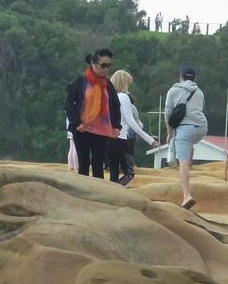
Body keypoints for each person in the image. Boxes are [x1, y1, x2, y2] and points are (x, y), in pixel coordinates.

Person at [64, 49, 121, 179]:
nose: (106, 69)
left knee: (98, 164)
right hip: (82, 130)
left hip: (102, 131)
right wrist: (76, 123)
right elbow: (68, 104)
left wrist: (116, 125)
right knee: (83, 165)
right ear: (94, 64)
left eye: (109, 66)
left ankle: (98, 195)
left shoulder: (107, 84)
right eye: (103, 65)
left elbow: (115, 105)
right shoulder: (80, 81)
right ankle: (83, 195)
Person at [165, 65, 207, 209]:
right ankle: (189, 160)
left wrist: (170, 133)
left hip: (185, 129)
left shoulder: (173, 90)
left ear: (181, 77)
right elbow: (199, 108)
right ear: (195, 78)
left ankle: (186, 196)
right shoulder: (199, 92)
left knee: (181, 162)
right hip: (201, 128)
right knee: (189, 144)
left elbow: (168, 113)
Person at [108, 70, 159, 185]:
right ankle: (117, 190)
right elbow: (131, 122)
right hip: (120, 139)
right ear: (123, 83)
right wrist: (149, 140)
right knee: (129, 173)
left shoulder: (107, 96)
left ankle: (111, 194)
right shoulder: (123, 97)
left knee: (113, 173)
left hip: (107, 139)